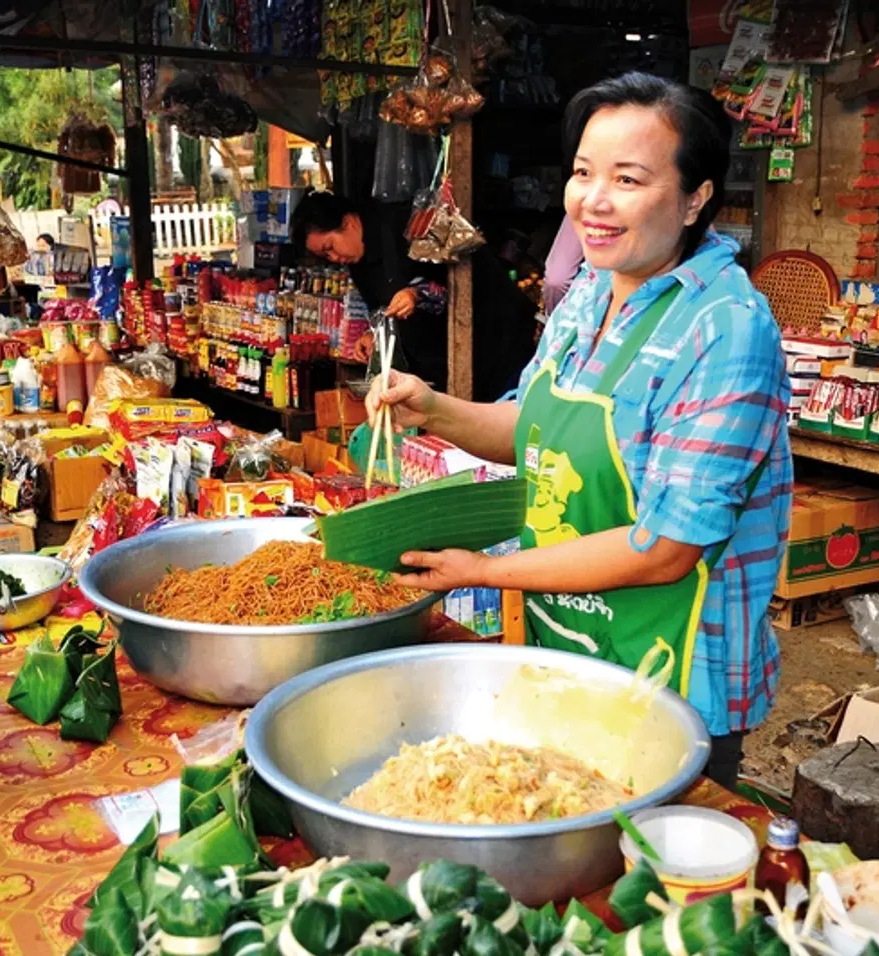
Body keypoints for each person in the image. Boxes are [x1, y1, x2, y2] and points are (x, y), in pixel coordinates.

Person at [367, 73, 793, 788]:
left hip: (675, 673)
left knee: (654, 882)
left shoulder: (726, 329)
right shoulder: (588, 295)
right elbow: (530, 428)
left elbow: (665, 550)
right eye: (583, 173)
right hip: (569, 647)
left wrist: (485, 572)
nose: (592, 201)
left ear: (696, 198)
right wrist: (431, 407)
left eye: (627, 179)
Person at [290, 191, 538, 402]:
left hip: (493, 339)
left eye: (330, 247)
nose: (333, 258)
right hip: (435, 362)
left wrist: (416, 293)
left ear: (349, 223)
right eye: (326, 256)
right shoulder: (359, 263)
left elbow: (456, 275)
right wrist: (374, 332)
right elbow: (383, 308)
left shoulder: (403, 226)